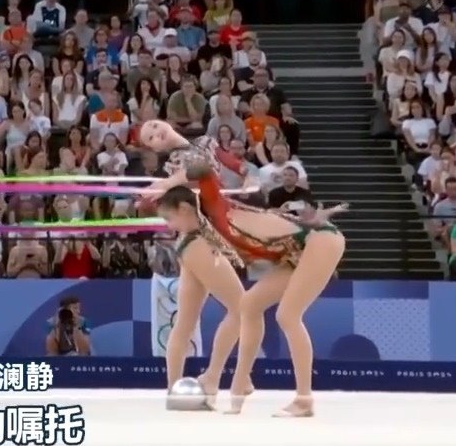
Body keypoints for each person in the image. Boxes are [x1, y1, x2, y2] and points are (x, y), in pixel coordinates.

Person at [140, 118, 346, 416]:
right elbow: (198, 178)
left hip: (315, 240)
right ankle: (234, 384)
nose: (155, 134)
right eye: (149, 138)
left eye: (155, 126)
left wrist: (247, 176)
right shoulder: (197, 200)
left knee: (286, 315)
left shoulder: (215, 197)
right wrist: (165, 186)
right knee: (247, 305)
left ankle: (302, 399)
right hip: (290, 249)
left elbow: (214, 169)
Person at [149, 180, 246, 408]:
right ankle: (212, 377)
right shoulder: (197, 225)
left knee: (185, 323)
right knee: (242, 310)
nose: (169, 226)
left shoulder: (201, 214)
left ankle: (174, 392)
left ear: (184, 209)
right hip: (197, 245)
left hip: (190, 245)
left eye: (169, 218)